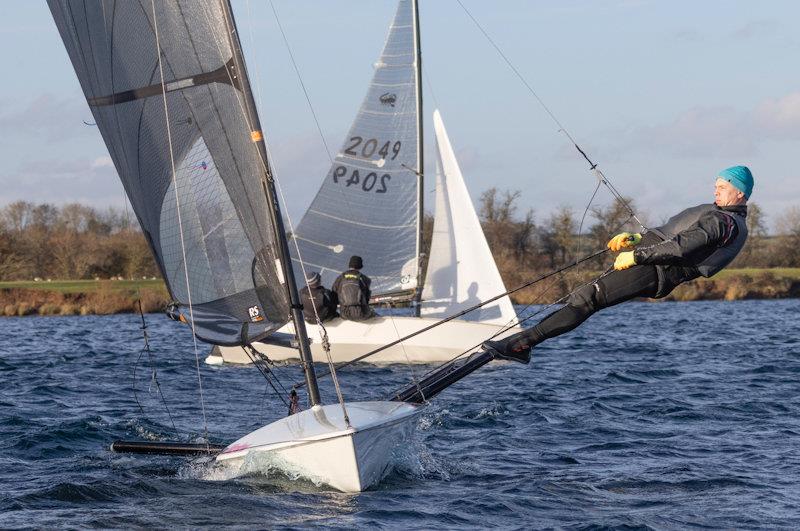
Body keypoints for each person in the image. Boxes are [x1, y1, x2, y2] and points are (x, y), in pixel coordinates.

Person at [485, 165, 753, 364]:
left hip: (654, 270)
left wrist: (636, 256)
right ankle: (521, 343)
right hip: (651, 266)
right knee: (584, 296)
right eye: (716, 185)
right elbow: (673, 232)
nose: (716, 191)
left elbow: (682, 246)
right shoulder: (720, 216)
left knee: (588, 298)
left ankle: (520, 345)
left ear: (739, 193)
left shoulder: (724, 222)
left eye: (723, 187)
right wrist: (636, 238)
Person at [332, 255, 376, 321]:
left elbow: (333, 295)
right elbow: (367, 298)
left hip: (344, 314)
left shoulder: (340, 278)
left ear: (349, 265)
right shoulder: (365, 279)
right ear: (360, 266)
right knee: (373, 312)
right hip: (362, 314)